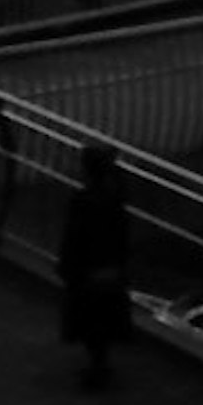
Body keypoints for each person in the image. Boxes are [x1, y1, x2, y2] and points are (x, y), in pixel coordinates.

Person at [56, 143, 134, 389]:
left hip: (86, 268)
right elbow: (122, 236)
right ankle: (101, 364)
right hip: (109, 267)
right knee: (104, 315)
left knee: (88, 318)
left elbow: (74, 237)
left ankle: (97, 367)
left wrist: (66, 265)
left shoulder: (82, 199)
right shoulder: (114, 198)